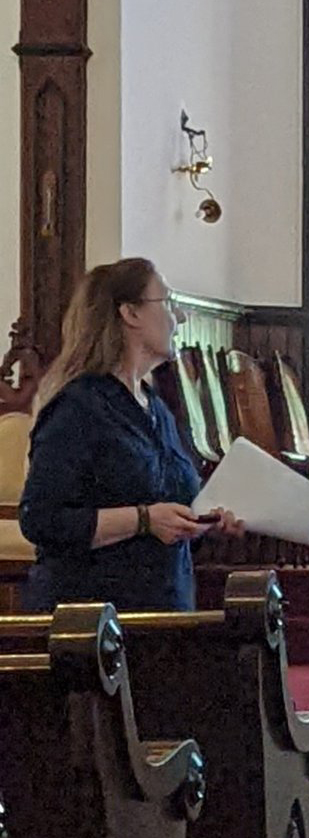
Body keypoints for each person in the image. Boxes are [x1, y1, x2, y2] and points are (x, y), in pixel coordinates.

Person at [19, 257, 244, 616]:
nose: (180, 317)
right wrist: (143, 520)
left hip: (165, 611)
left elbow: (169, 509)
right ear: (130, 313)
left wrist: (203, 525)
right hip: (94, 618)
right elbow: (42, 520)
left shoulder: (156, 408)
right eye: (167, 302)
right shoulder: (80, 406)